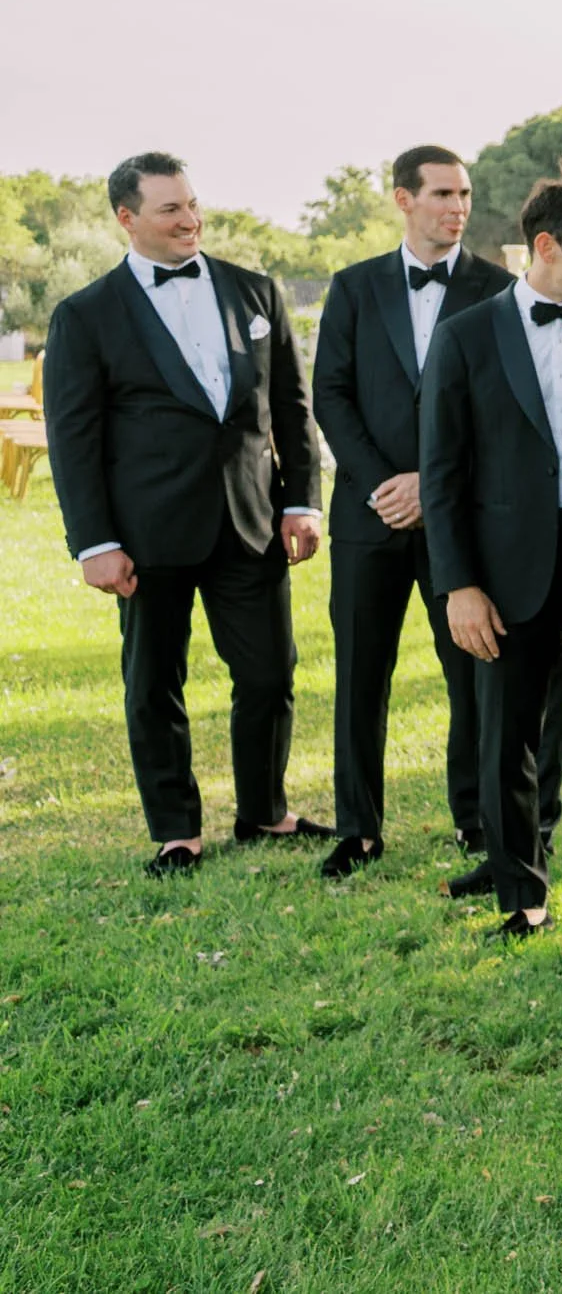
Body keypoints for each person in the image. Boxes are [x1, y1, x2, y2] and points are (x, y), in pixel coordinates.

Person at [48, 152, 327, 875]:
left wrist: (301, 501)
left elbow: (291, 409)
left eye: (193, 203)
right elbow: (73, 440)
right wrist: (95, 543)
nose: (190, 219)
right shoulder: (84, 314)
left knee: (270, 672)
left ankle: (266, 811)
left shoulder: (255, 290)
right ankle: (176, 829)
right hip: (147, 535)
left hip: (251, 519)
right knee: (153, 684)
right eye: (170, 208)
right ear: (127, 217)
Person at [420, 180, 562, 938]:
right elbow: (441, 471)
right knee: (507, 737)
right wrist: (459, 583)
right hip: (505, 569)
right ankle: (521, 892)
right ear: (546, 246)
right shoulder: (466, 334)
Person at [311, 146, 517, 879]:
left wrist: (431, 488)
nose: (456, 206)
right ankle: (359, 826)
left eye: (464, 194)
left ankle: (478, 818)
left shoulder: (500, 289)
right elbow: (329, 394)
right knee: (362, 673)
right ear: (402, 198)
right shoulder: (354, 286)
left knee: (473, 674)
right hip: (368, 517)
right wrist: (383, 485)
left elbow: (504, 409)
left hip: (460, 520)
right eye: (440, 193)